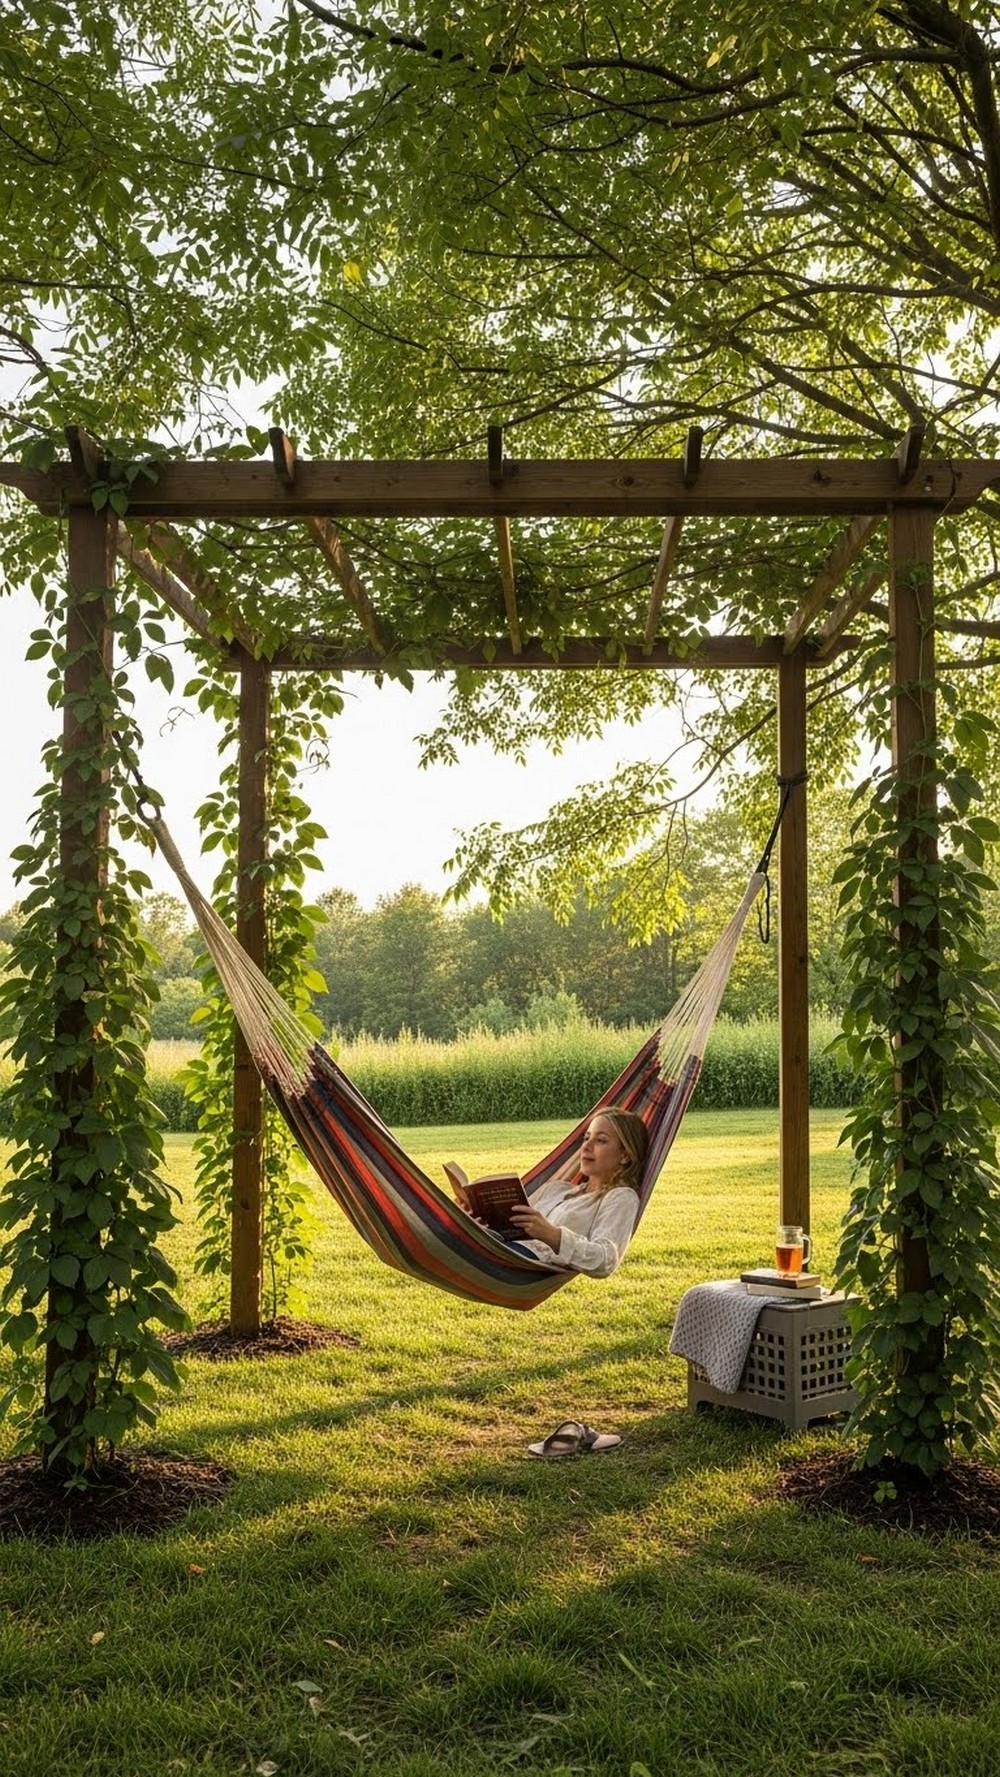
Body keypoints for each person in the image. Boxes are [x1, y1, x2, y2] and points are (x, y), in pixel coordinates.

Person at [450, 1108, 649, 1278]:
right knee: (445, 1231)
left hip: (522, 1265)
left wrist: (552, 1235)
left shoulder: (620, 1197)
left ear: (624, 1155)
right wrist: (476, 1219)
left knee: (447, 1242)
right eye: (587, 1138)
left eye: (601, 1140)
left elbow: (605, 1260)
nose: (586, 1147)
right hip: (501, 1250)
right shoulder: (557, 1188)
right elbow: (508, 1229)